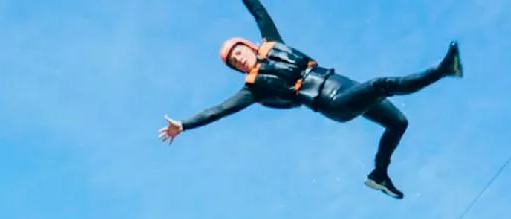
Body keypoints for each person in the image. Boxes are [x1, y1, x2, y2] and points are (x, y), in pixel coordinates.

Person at [158, 0, 463, 199]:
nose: (240, 61)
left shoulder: (273, 43)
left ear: (249, 46)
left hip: (342, 84)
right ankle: (443, 70)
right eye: (234, 63)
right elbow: (220, 110)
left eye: (239, 53)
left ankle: (379, 174)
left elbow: (259, 11)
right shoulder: (254, 89)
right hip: (332, 103)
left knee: (398, 122)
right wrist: (183, 125)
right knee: (381, 84)